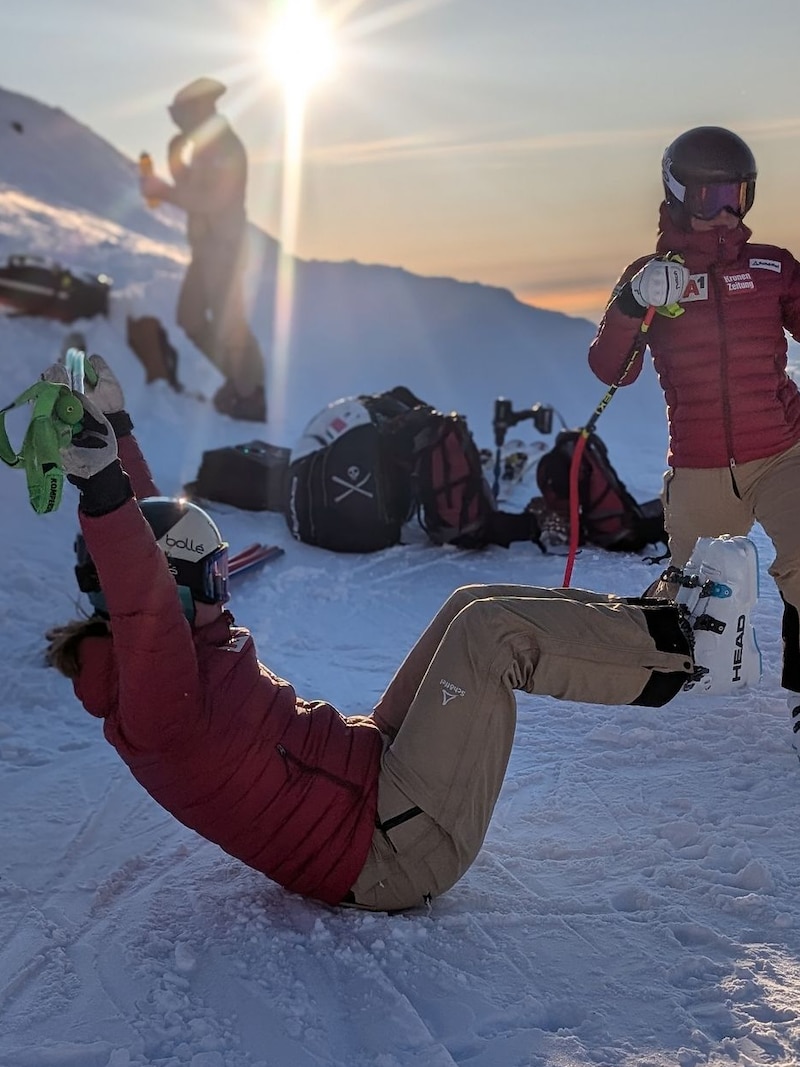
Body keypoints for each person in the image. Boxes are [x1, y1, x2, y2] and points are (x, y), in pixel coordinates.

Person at [43, 357, 756, 912]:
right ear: (176, 592)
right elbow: (141, 594)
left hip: (374, 770)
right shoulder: (157, 707)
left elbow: (150, 539)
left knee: (467, 601)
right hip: (392, 848)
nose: (226, 591)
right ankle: (687, 646)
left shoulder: (166, 663)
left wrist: (117, 426)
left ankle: (649, 627)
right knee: (490, 633)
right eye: (213, 577)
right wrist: (98, 488)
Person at [587, 125, 800, 747]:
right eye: (711, 199)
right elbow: (611, 370)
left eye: (737, 195)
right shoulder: (653, 277)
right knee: (693, 604)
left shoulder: (772, 268)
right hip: (702, 465)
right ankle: (595, 667)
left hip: (785, 451)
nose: (726, 213)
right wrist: (632, 303)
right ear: (680, 195)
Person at [139, 77, 267, 422]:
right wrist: (175, 157)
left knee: (230, 323)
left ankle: (251, 396)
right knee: (191, 318)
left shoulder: (224, 147)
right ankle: (242, 383)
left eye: (179, 112)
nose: (176, 119)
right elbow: (193, 192)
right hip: (206, 247)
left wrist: (163, 190)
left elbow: (212, 200)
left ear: (200, 109)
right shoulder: (204, 145)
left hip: (224, 249)